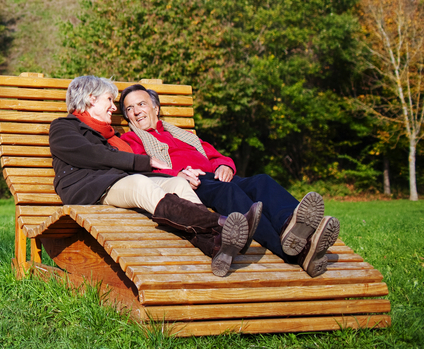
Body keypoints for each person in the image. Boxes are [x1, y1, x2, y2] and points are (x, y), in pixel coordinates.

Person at [118, 83, 340, 277]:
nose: (136, 111)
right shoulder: (131, 139)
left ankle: (292, 224)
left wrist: (225, 165)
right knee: (230, 194)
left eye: (141, 104)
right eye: (129, 108)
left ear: (155, 108)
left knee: (261, 181)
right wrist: (176, 175)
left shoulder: (181, 133)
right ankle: (297, 253)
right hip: (195, 184)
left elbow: (215, 155)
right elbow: (142, 169)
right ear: (127, 117)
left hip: (216, 175)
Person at [49, 75, 261, 277]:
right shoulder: (63, 127)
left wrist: (177, 173)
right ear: (90, 99)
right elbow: (91, 155)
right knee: (140, 184)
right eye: (109, 100)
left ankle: (216, 246)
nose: (114, 108)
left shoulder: (110, 137)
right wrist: (145, 161)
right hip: (90, 188)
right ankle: (223, 225)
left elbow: (116, 162)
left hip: (116, 181)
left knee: (177, 183)